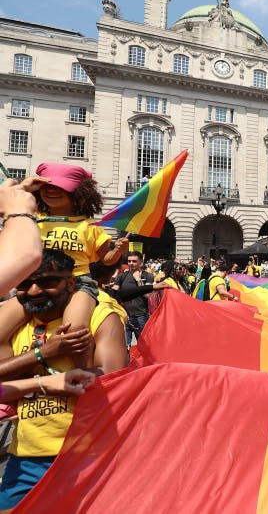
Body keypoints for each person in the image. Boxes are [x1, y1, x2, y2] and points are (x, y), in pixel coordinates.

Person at [0, 249, 127, 509]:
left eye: (47, 282)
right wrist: (45, 354)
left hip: (90, 456)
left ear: (70, 283)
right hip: (26, 458)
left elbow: (114, 381)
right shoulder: (15, 327)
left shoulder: (101, 317)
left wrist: (24, 375)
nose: (34, 291)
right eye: (24, 284)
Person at [0, 163, 130, 368]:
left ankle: (83, 374)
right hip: (35, 285)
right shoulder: (31, 220)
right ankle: (16, 376)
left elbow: (106, 259)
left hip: (78, 284)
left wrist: (118, 251)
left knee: (75, 329)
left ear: (79, 194)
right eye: (46, 187)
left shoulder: (88, 226)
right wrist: (23, 190)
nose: (52, 191)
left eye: (61, 187)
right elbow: (9, 209)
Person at [113, 251, 167, 348]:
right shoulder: (122, 276)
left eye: (134, 261)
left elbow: (148, 295)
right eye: (129, 261)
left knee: (144, 347)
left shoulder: (148, 276)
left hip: (141, 316)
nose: (131, 263)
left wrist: (138, 280)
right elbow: (114, 294)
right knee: (125, 347)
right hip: (124, 316)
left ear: (141, 262)